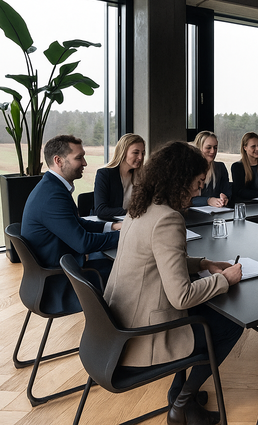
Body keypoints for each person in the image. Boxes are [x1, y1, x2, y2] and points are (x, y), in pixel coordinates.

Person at [103, 141, 244, 425]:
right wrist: (222, 279)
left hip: (119, 322)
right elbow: (180, 297)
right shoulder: (168, 219)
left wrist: (204, 264)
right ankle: (181, 402)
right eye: (198, 182)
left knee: (202, 316)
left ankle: (182, 396)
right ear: (181, 179)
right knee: (230, 324)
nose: (200, 189)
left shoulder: (140, 208)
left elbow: (156, 260)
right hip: (143, 334)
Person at [21, 134, 121, 284]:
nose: (85, 163)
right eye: (79, 157)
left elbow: (75, 222)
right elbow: (84, 243)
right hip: (59, 279)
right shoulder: (52, 196)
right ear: (58, 161)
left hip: (61, 266)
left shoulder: (51, 187)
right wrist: (126, 235)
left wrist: (113, 226)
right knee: (127, 268)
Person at [94, 133, 146, 220]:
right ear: (123, 152)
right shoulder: (105, 174)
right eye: (136, 153)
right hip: (111, 224)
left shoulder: (142, 176)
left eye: (143, 153)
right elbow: (101, 210)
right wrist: (131, 211)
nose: (140, 157)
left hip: (134, 222)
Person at [191, 131, 231, 208]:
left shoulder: (220, 167)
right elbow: (185, 200)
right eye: (208, 147)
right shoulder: (189, 169)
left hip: (216, 213)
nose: (213, 151)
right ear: (199, 148)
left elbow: (227, 190)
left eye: (215, 147)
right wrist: (208, 200)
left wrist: (225, 198)